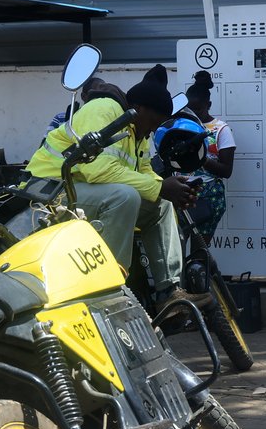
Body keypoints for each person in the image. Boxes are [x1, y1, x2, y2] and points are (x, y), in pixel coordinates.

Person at [25, 64, 203, 316]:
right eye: (153, 122)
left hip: (82, 192)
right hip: (48, 191)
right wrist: (160, 186)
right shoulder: (103, 110)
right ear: (138, 109)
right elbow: (97, 170)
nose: (153, 129)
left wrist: (171, 190)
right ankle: (109, 288)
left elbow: (143, 171)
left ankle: (168, 292)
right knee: (125, 196)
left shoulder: (139, 130)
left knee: (161, 205)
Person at [153, 70, 235, 244]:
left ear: (209, 104)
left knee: (199, 251)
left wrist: (199, 157)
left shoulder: (221, 129)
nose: (195, 113)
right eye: (190, 108)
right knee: (176, 248)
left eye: (199, 109)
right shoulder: (176, 126)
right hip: (180, 193)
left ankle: (206, 270)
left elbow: (226, 170)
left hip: (209, 197)